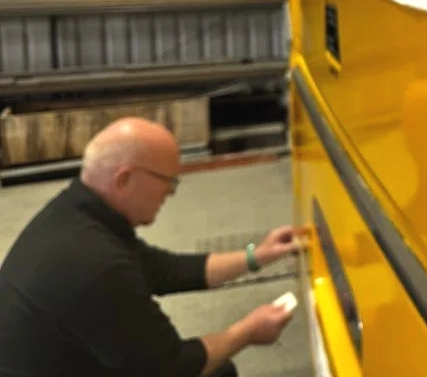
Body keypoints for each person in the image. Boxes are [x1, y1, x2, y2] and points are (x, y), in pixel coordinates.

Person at [0, 116, 301, 377]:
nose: (170, 193)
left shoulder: (75, 214)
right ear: (125, 179)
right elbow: (176, 369)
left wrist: (256, 256)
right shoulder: (96, 265)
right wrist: (246, 332)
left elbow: (166, 270)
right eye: (167, 181)